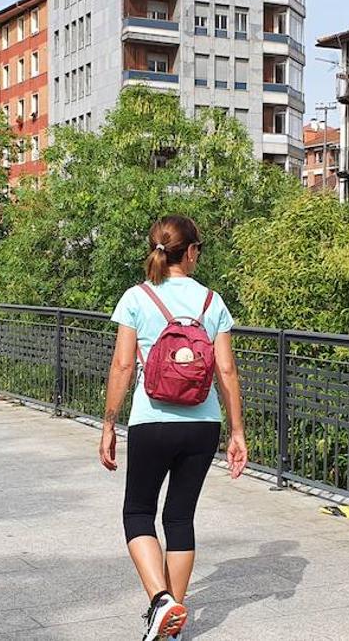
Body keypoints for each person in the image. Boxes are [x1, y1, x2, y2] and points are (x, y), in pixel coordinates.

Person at [99, 215, 247, 641]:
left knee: (138, 512)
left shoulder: (137, 297)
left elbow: (123, 365)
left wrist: (109, 424)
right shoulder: (212, 302)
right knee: (180, 517)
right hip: (203, 424)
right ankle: (172, 626)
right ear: (192, 252)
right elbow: (227, 370)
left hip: (152, 421)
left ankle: (161, 601)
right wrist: (237, 432)